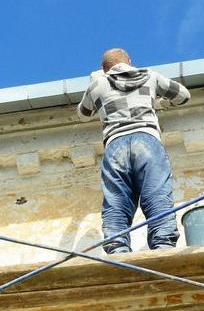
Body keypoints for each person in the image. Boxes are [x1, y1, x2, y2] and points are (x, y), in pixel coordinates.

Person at [76, 48, 191, 254]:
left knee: (116, 202)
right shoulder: (150, 76)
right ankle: (163, 247)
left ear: (104, 68)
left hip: (115, 146)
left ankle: (118, 251)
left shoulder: (98, 83)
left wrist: (94, 81)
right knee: (156, 196)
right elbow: (183, 95)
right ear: (129, 61)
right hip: (147, 141)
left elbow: (83, 114)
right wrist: (160, 102)